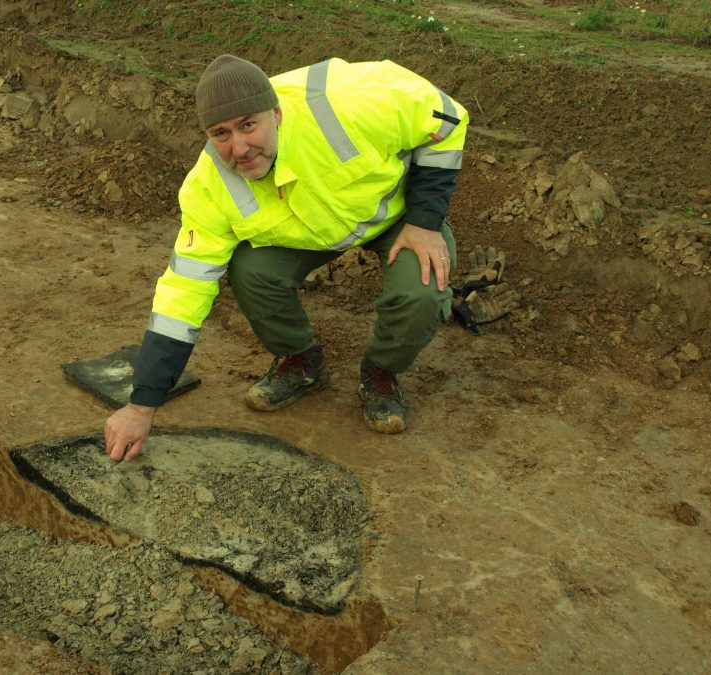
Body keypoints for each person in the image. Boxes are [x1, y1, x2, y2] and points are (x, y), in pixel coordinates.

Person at [104, 54, 469, 462]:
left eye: (248, 125)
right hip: (307, 235)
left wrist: (425, 219)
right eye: (220, 133)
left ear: (276, 112)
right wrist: (141, 405)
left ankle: (381, 372)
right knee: (249, 270)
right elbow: (182, 292)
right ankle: (302, 362)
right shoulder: (207, 189)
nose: (239, 148)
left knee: (423, 290)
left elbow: (447, 118)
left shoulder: (346, 103)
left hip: (395, 217)